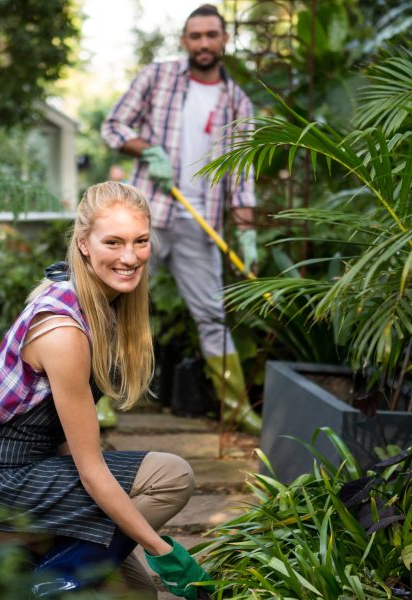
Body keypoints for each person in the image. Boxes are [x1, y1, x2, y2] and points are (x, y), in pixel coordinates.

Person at [0, 181, 214, 599]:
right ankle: (40, 587)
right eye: (113, 242)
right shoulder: (63, 330)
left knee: (135, 594)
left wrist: (77, 517)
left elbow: (59, 438)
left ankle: (54, 573)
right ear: (83, 244)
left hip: (26, 479)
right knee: (170, 476)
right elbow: (90, 468)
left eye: (140, 241)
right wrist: (162, 551)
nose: (130, 257)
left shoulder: (99, 306)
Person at [101, 4, 261, 435]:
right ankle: (98, 399)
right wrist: (145, 150)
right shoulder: (158, 78)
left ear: (225, 40)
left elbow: (242, 174)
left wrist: (247, 234)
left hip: (199, 220)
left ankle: (235, 407)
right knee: (114, 303)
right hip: (145, 214)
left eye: (212, 35)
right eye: (196, 36)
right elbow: (113, 125)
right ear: (184, 41)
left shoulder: (237, 102)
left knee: (212, 314)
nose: (204, 43)